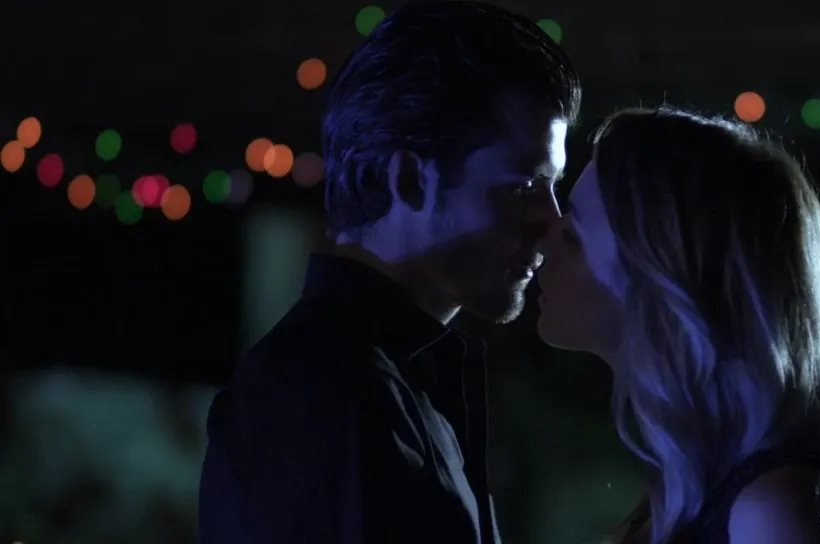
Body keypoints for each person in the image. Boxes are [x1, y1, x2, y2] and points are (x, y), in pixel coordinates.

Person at [197, 1, 580, 542]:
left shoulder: (388, 386)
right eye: (524, 187)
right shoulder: (321, 399)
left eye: (552, 187)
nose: (553, 221)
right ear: (409, 181)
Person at [535, 108, 820, 544]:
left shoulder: (772, 511)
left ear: (663, 281)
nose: (542, 243)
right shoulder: (696, 482)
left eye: (572, 236)